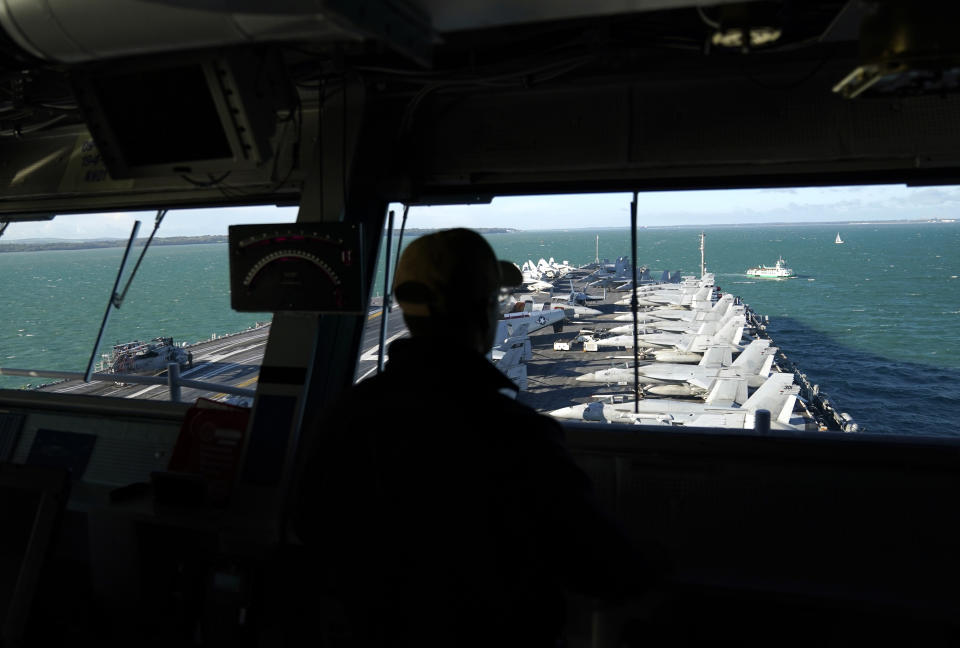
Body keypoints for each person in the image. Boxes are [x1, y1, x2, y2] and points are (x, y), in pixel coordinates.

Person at [293, 228, 662, 647]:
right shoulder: (514, 434)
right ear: (485, 309)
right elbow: (601, 565)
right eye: (496, 300)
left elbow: (307, 522)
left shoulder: (345, 414)